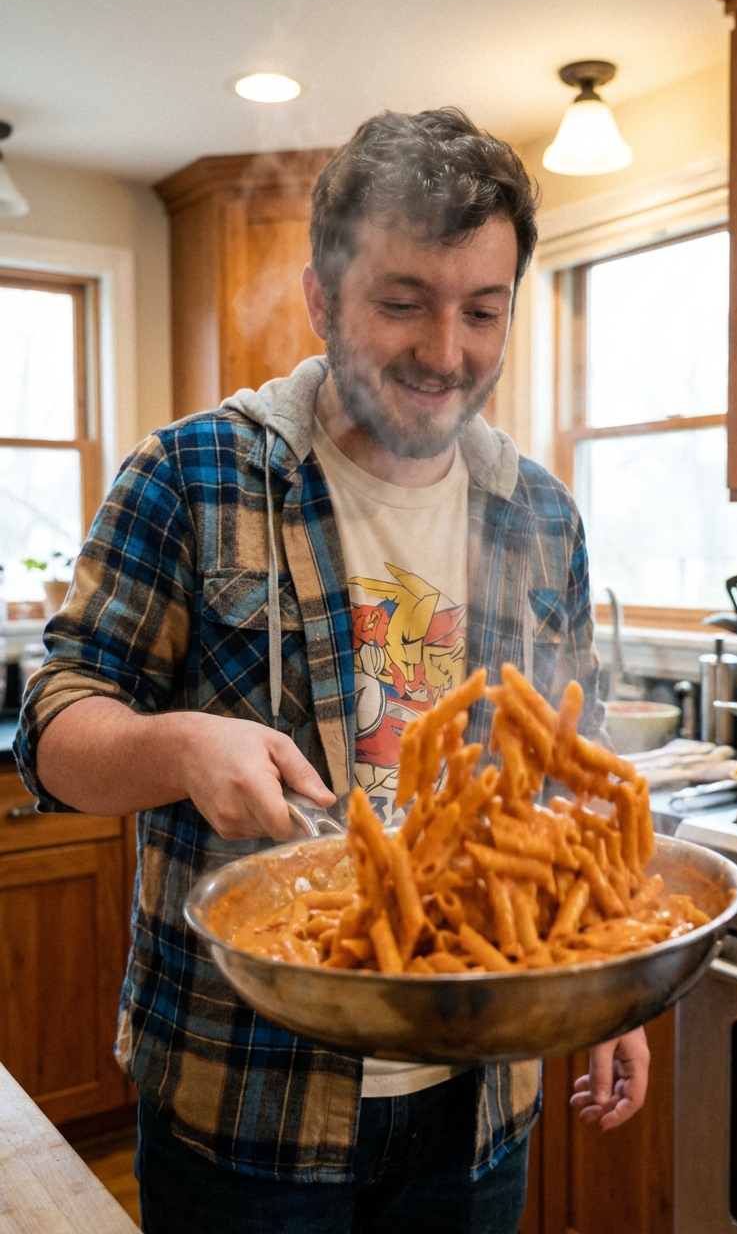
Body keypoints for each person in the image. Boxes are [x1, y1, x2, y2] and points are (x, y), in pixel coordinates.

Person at [15, 107, 650, 1234]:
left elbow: (572, 776)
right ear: (320, 298)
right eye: (402, 301)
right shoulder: (193, 475)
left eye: (482, 310)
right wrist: (181, 746)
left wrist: (606, 980)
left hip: (476, 1107)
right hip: (247, 1096)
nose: (445, 352)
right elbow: (52, 728)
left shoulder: (541, 514)